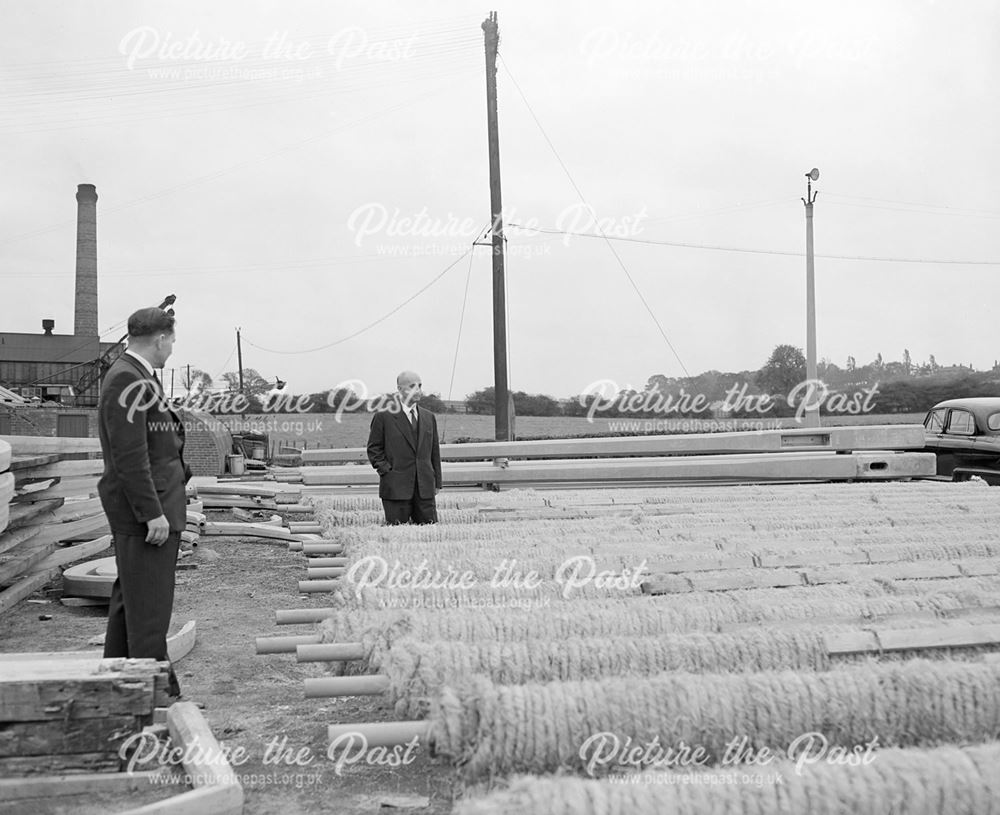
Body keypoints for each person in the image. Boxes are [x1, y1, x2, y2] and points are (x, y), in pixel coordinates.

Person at [97, 306, 191, 696]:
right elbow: (130, 457)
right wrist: (152, 512)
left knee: (130, 604)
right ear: (159, 339)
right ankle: (157, 700)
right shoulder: (127, 380)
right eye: (171, 340)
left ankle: (114, 689)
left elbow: (154, 450)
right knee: (150, 611)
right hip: (145, 516)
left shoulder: (136, 376)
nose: (172, 348)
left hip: (152, 506)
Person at [366, 370, 442, 524]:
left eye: (420, 386)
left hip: (425, 489)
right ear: (400, 389)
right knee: (397, 537)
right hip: (396, 489)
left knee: (430, 536)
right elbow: (374, 449)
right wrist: (387, 472)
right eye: (412, 386)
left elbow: (434, 452)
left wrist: (437, 482)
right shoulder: (383, 417)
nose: (418, 390)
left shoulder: (428, 417)